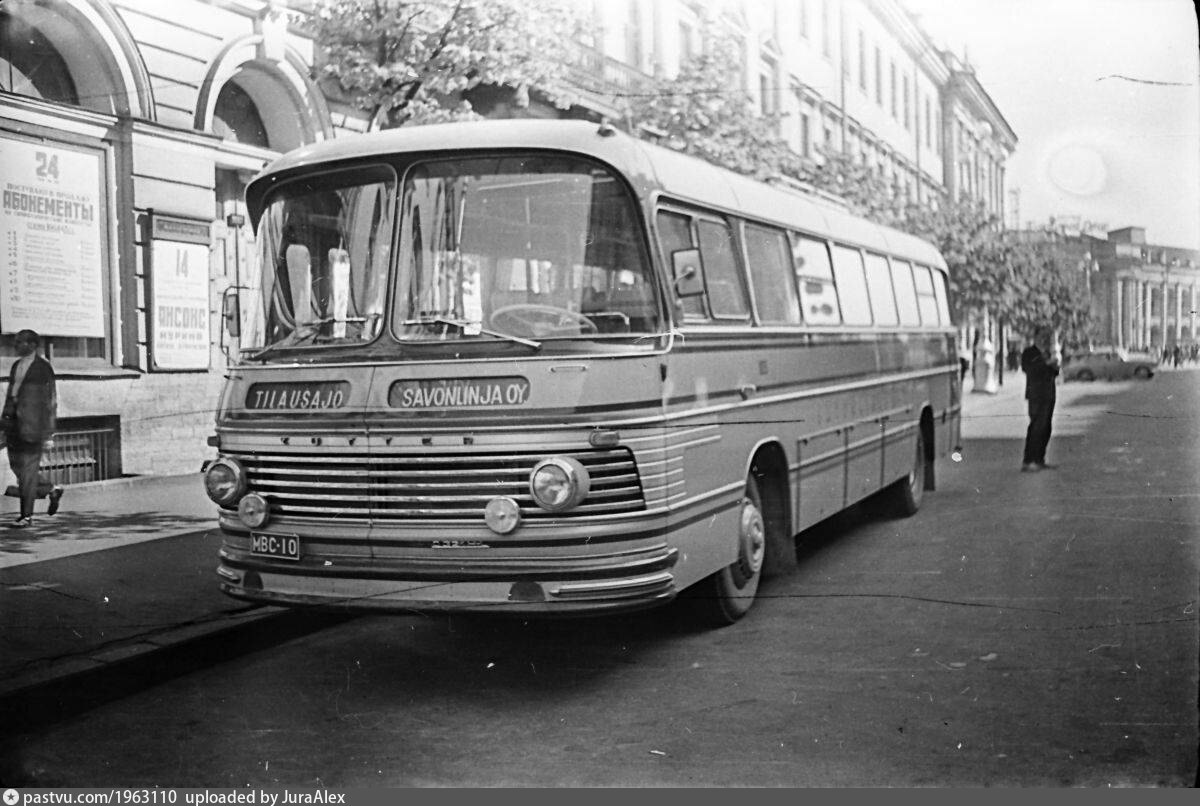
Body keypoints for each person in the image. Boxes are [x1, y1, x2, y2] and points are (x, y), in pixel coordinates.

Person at [2, 330, 63, 527]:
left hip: (33, 428)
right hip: (13, 426)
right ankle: (51, 489)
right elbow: (10, 396)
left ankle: (26, 516)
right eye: (16, 342)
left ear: (32, 345)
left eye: (20, 342)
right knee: (17, 468)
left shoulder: (43, 368)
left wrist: (49, 433)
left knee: (27, 472)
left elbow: (51, 401)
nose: (16, 346)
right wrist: (3, 423)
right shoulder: (16, 365)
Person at [1020, 326, 1060, 472]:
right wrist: (1046, 364)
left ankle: (1040, 459)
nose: (1044, 340)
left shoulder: (1047, 352)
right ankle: (1029, 460)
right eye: (1042, 337)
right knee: (1036, 426)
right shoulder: (1029, 353)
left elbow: (1055, 371)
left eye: (1046, 337)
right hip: (1036, 394)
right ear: (1035, 337)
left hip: (1049, 394)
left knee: (1046, 427)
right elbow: (1028, 369)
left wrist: (1054, 365)